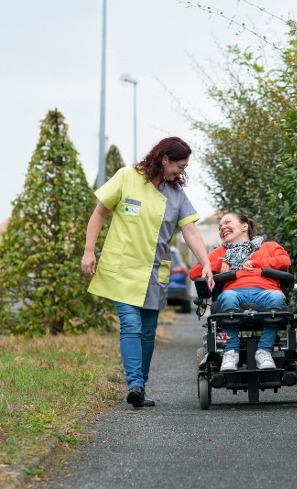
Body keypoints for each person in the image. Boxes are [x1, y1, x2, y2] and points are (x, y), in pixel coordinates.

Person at [81, 137, 214, 408]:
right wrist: (88, 250)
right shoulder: (127, 177)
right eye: (180, 165)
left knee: (148, 331)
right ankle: (135, 385)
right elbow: (99, 213)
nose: (182, 171)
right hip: (122, 268)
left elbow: (189, 230)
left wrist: (207, 263)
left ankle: (141, 384)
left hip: (154, 271)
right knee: (131, 325)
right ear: (164, 159)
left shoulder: (175, 193)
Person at [189, 212, 291, 372]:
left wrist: (255, 263)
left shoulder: (269, 246)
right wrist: (220, 264)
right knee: (228, 296)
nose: (222, 227)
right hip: (234, 294)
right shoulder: (220, 253)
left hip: (266, 292)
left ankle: (264, 351)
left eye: (227, 222)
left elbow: (285, 260)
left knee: (277, 297)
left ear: (245, 226)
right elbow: (194, 272)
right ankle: (231, 352)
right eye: (220, 226)